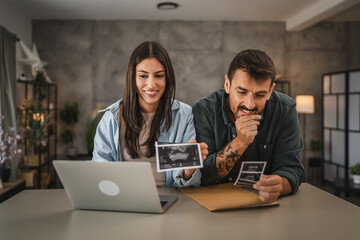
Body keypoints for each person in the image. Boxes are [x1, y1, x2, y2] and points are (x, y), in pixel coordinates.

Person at [192, 49, 304, 202]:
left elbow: (292, 168)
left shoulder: (285, 110)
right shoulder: (205, 110)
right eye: (242, 92)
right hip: (214, 204)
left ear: (270, 91)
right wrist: (241, 141)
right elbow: (204, 174)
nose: (250, 104)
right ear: (227, 84)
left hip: (263, 204)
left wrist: (280, 185)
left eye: (260, 95)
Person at [92, 41, 208, 188]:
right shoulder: (112, 119)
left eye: (159, 75)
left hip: (171, 200)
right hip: (124, 200)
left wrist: (189, 170)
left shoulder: (183, 115)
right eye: (143, 76)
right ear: (133, 78)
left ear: (168, 78)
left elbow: (190, 182)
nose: (151, 84)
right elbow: (100, 173)